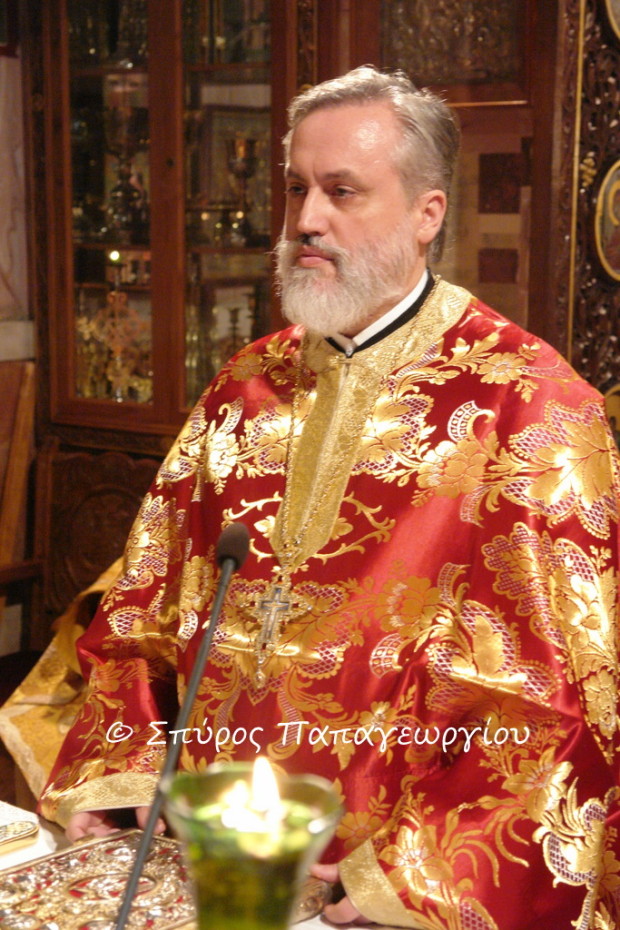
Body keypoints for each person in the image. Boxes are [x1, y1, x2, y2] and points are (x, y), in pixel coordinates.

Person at [39, 66, 620, 929]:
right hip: (201, 852)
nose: (306, 219)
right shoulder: (244, 386)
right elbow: (143, 611)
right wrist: (123, 779)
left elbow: (564, 699)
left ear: (427, 213)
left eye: (342, 192)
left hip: (376, 882)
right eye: (296, 189)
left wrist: (408, 878)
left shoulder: (531, 405)